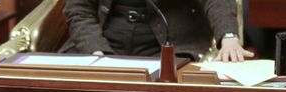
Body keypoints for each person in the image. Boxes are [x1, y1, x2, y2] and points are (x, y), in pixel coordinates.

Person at [61, 0, 253, 62]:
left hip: (172, 44)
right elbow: (78, 9)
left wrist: (229, 37)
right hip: (103, 40)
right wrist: (95, 50)